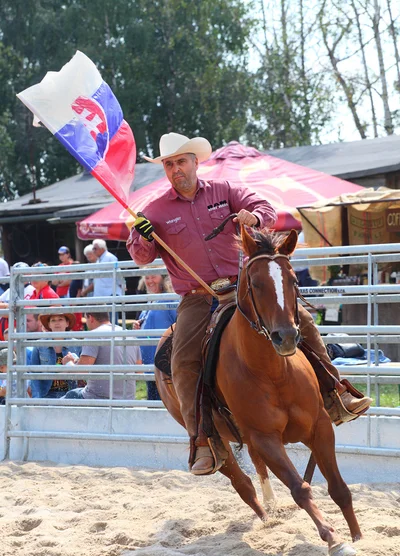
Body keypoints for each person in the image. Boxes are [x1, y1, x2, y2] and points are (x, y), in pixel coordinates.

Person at [127, 131, 372, 476]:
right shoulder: (154, 210)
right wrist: (140, 236)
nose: (176, 169)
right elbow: (140, 257)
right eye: (169, 164)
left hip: (243, 286)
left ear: (196, 162)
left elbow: (265, 208)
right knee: (181, 361)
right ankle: (204, 441)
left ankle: (335, 394)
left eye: (181, 161)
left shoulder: (224, 190)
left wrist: (254, 219)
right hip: (197, 298)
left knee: (302, 321)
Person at [61, 312, 141, 400]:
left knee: (58, 404)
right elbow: (139, 373)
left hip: (96, 399)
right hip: (127, 400)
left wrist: (69, 363)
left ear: (90, 318)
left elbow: (80, 374)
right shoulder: (129, 336)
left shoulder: (93, 335)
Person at [132, 273, 177, 400]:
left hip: (164, 365)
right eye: (146, 277)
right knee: (153, 400)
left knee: (165, 402)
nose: (150, 280)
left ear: (162, 278)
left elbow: (178, 323)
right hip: (150, 364)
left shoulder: (170, 299)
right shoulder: (151, 300)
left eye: (153, 276)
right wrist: (138, 325)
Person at [30, 312, 80, 399]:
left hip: (71, 395)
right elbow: (34, 375)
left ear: (67, 323)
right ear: (49, 324)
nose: (57, 323)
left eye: (60, 319)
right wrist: (36, 399)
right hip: (46, 395)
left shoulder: (77, 345)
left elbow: (83, 373)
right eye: (53, 320)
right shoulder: (39, 345)